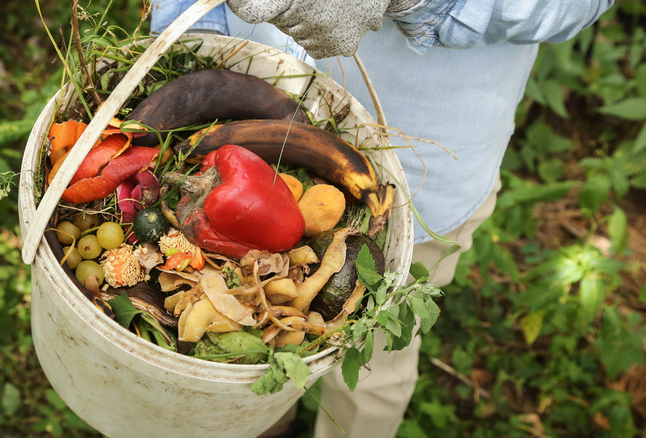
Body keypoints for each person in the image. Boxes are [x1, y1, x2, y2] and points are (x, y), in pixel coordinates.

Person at [150, 1, 615, 437]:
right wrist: (196, 36)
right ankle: (262, 422)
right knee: (231, 368)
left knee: (372, 366)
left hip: (415, 164)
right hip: (238, 81)